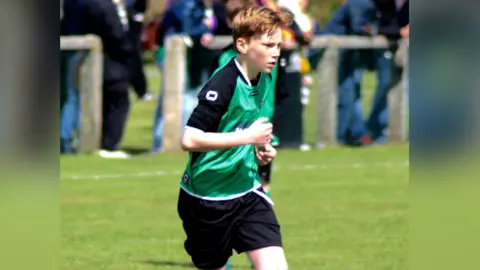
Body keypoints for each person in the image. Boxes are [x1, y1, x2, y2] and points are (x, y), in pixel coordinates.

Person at [177, 6, 292, 270]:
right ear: (242, 44)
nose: (275, 52)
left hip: (248, 192)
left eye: (278, 45)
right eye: (268, 45)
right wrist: (247, 138)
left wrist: (261, 147)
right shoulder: (224, 83)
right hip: (207, 200)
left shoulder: (263, 77)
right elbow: (189, 139)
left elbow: (246, 125)